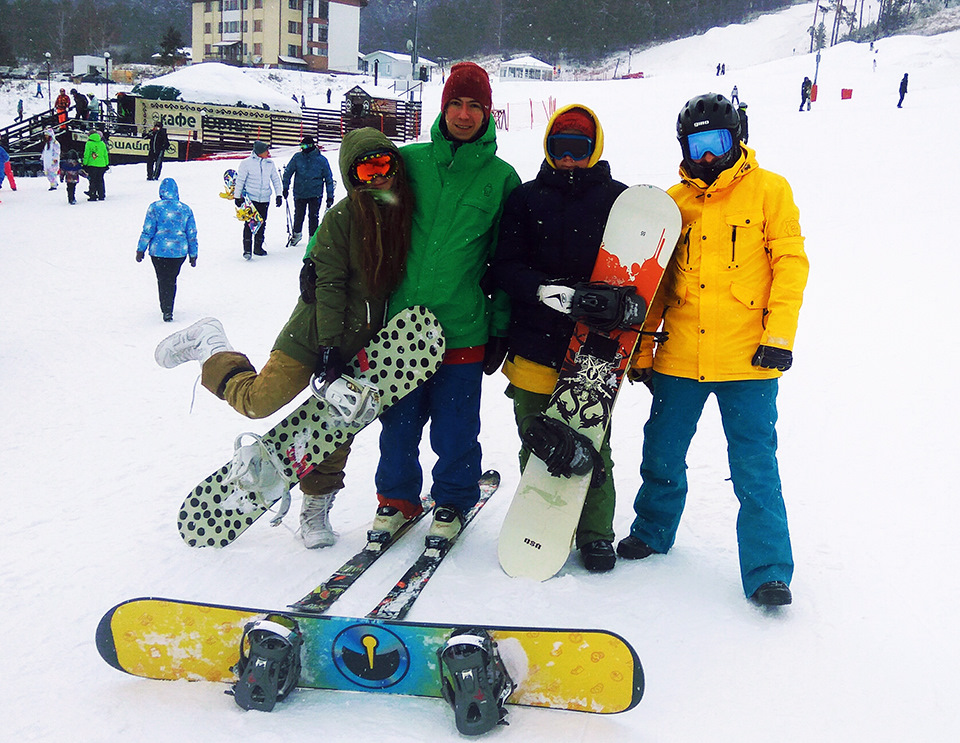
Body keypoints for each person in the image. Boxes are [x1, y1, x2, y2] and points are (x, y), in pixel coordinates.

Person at [153, 128, 413, 549]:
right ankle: (211, 345)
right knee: (259, 402)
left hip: (360, 347)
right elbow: (328, 283)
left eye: (385, 165)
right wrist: (328, 347)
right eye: (366, 168)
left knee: (334, 430)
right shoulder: (342, 218)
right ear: (352, 174)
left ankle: (316, 509)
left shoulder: (403, 214)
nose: (377, 176)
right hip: (312, 334)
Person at [617, 93, 809, 608]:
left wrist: (778, 339)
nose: (706, 156)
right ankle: (653, 532)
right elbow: (655, 284)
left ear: (736, 138)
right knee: (661, 453)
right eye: (697, 144)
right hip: (678, 355)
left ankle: (769, 570)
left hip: (750, 360)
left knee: (755, 468)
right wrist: (640, 352)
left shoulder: (770, 191)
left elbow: (791, 268)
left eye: (716, 143)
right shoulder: (674, 202)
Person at [371, 62, 520, 544]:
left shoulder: (500, 179)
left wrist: (499, 328)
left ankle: (452, 501)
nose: (463, 114)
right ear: (443, 107)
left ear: (487, 112)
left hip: (462, 328)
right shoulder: (409, 162)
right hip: (402, 328)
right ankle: (397, 500)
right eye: (456, 103)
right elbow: (357, 214)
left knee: (456, 431)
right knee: (398, 426)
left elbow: (505, 261)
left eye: (474, 105)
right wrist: (315, 259)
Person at [489, 104, 627, 572]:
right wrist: (540, 289)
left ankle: (594, 532)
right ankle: (541, 521)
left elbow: (641, 275)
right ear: (548, 150)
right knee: (537, 436)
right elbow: (504, 265)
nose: (568, 160)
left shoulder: (618, 201)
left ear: (595, 150)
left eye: (579, 149)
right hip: (534, 341)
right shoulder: (526, 200)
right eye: (559, 149)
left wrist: (610, 304)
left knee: (592, 441)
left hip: (594, 350)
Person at [136, 178, 198, 322]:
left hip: (158, 251)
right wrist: (193, 254)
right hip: (178, 252)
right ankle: (169, 307)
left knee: (162, 278)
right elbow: (192, 233)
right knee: (172, 278)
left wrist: (141, 249)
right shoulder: (185, 209)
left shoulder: (155, 208)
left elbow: (148, 230)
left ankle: (165, 308)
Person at [282, 135, 335, 246]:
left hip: (315, 193)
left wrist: (330, 196)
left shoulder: (321, 160)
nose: (303, 148)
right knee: (299, 215)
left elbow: (328, 178)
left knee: (313, 216)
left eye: (306, 145)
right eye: (302, 146)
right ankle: (296, 234)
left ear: (312, 145)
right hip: (300, 192)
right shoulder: (297, 157)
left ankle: (313, 238)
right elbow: (288, 172)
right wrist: (285, 187)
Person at [235, 140, 283, 259]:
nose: (268, 152)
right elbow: (240, 180)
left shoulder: (270, 164)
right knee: (249, 224)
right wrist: (237, 196)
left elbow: (275, 179)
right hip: (251, 199)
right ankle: (247, 249)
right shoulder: (246, 163)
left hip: (265, 198)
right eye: (266, 150)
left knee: (261, 223)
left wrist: (279, 195)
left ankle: (258, 247)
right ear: (259, 152)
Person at [82, 129, 109, 201]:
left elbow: (86, 155)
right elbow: (105, 154)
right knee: (100, 180)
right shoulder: (102, 143)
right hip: (102, 164)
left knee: (93, 180)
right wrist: (106, 164)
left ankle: (93, 195)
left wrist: (85, 164)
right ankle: (101, 195)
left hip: (92, 165)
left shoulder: (89, 143)